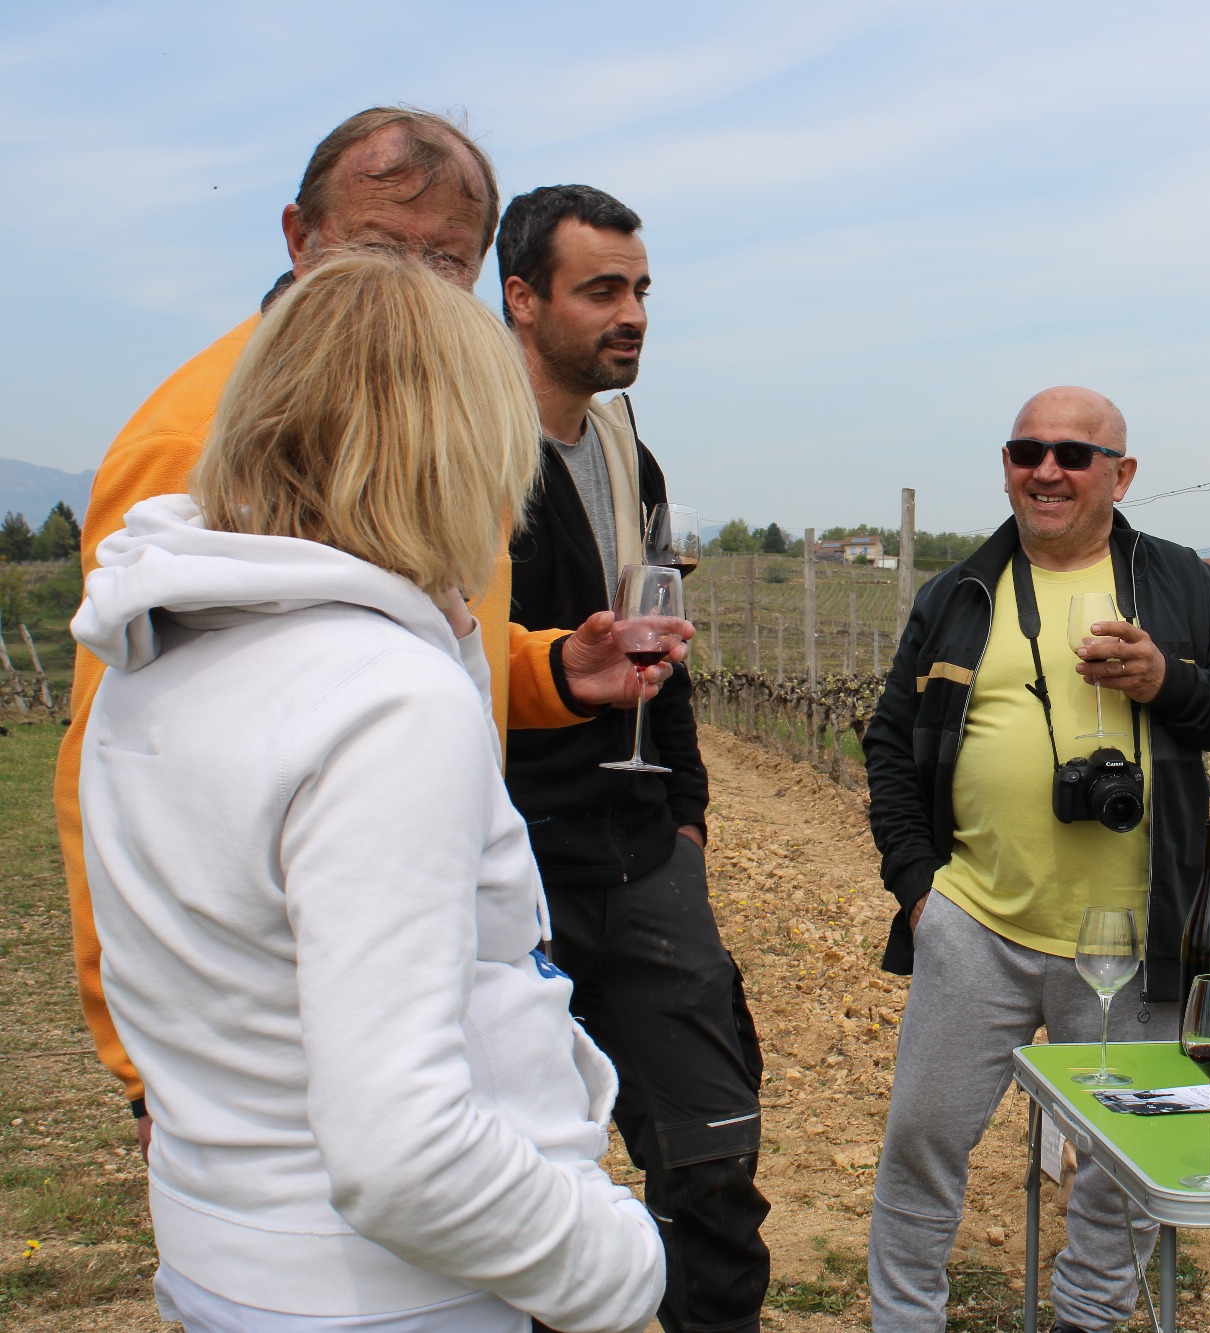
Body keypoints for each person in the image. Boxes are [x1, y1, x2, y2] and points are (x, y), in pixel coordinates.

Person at [72, 252, 665, 1331]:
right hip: (389, 1295)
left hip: (228, 1248)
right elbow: (401, 1153)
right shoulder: (382, 701)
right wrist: (611, 1262)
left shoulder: (161, 648)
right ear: (458, 443)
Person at [863, 386, 1210, 1333]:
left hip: (1144, 932)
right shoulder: (960, 591)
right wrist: (918, 887)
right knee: (924, 1139)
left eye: (1073, 453)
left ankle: (1086, 1319)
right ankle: (902, 1321)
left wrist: (1167, 679)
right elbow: (890, 741)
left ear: (1120, 474)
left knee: (1124, 1161)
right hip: (977, 921)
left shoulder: (1176, 583)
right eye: (1026, 450)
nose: (1046, 469)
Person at [498, 184, 770, 1333]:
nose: (634, 313)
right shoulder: (464, 450)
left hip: (642, 845)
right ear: (520, 298)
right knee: (526, 1168)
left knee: (711, 1148)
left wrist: (691, 813)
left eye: (641, 289)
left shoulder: (625, 451)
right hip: (511, 858)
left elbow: (664, 647)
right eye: (602, 289)